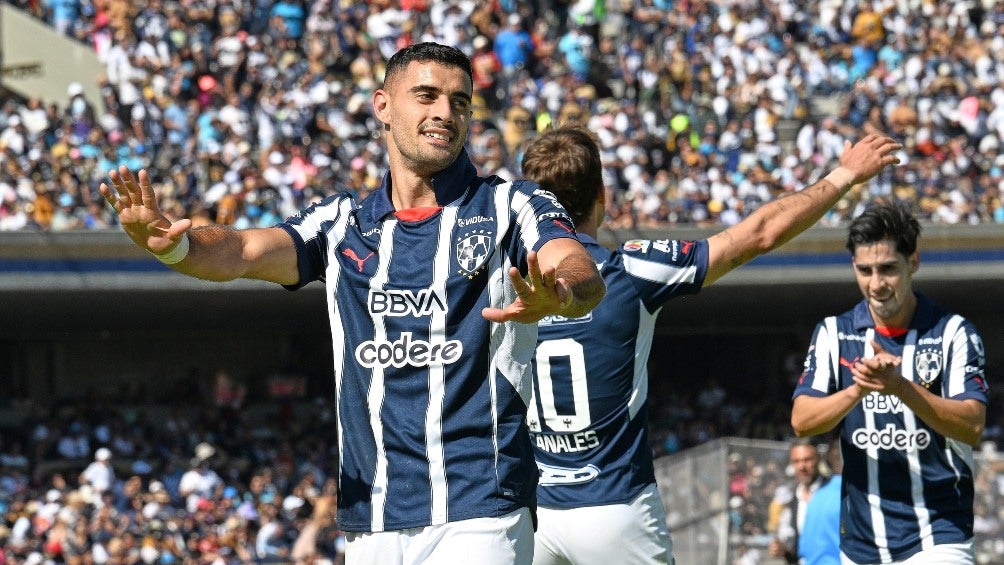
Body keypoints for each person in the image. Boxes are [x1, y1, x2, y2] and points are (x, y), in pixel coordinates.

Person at [100, 42, 605, 564]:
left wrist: (561, 292)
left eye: (459, 102)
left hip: (482, 509)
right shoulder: (342, 223)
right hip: (372, 516)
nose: (445, 113)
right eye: (427, 96)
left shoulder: (511, 204)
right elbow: (243, 250)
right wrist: (176, 245)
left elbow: (576, 265)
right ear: (383, 106)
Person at [518, 124, 901, 564]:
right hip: (614, 506)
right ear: (602, 195)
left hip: (533, 509)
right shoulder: (631, 271)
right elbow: (758, 234)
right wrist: (844, 175)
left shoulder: (502, 283)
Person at [791, 201, 989, 564]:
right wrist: (858, 389)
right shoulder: (834, 333)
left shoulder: (952, 332)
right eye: (865, 270)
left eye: (888, 269)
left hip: (939, 533)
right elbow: (802, 421)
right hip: (860, 545)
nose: (876, 284)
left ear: (913, 262)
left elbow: (972, 425)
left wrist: (900, 387)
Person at [769, 439, 832, 564]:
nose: (802, 466)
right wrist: (785, 552)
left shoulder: (835, 491)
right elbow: (801, 553)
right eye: (797, 461)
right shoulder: (795, 500)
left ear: (818, 459)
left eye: (807, 460)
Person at [798, 437, 843, 565]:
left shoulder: (815, 498)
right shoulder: (851, 495)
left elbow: (803, 550)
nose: (802, 466)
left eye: (807, 459)